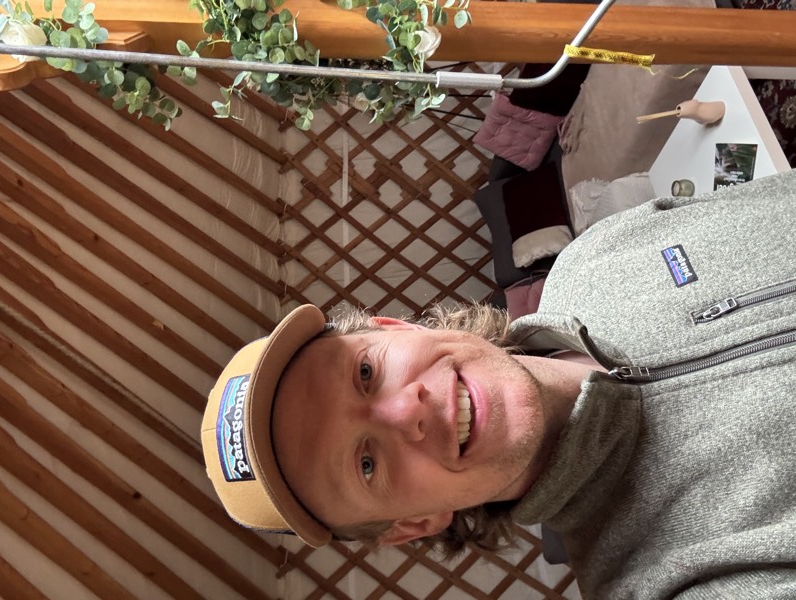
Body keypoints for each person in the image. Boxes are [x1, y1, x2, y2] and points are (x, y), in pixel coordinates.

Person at [201, 169, 796, 599]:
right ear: (415, 524)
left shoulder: (593, 260)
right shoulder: (675, 581)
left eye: (366, 373)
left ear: (393, 326)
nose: (407, 411)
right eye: (365, 464)